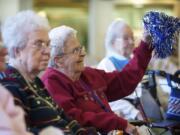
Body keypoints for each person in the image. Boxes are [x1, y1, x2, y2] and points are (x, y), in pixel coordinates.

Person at [41, 25, 153, 134]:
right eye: (76, 51)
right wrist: (119, 123)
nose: (83, 54)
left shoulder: (87, 73)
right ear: (58, 60)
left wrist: (145, 45)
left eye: (81, 48)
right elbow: (72, 118)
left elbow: (123, 81)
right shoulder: (51, 81)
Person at [0, 10, 95, 135]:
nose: (47, 51)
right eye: (38, 44)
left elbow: (63, 118)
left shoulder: (36, 82)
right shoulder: (10, 85)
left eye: (48, 44)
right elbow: (22, 131)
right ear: (17, 50)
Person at [97, 19, 143, 120]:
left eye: (132, 37)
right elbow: (106, 98)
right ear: (113, 42)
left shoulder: (134, 61)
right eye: (126, 38)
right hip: (129, 118)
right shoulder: (106, 64)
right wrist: (134, 112)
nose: (131, 42)